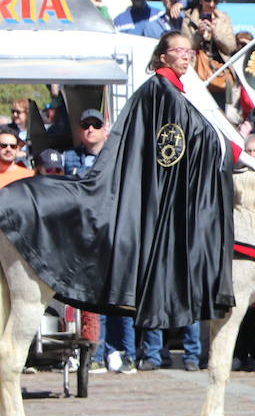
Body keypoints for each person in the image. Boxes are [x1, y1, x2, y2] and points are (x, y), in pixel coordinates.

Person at [0, 30, 240, 335]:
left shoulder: (175, 92)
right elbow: (195, 135)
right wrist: (231, 149)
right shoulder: (162, 89)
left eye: (188, 51)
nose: (185, 55)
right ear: (162, 57)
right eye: (178, 50)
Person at [183, 0, 237, 108]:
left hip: (222, 75)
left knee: (224, 115)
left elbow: (231, 47)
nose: (212, 4)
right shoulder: (189, 19)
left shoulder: (223, 19)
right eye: (208, 0)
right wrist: (199, 35)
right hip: (197, 74)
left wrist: (216, 34)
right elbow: (184, 49)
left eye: (216, 1)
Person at [63, 109, 109, 176]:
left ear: (105, 130)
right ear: (80, 132)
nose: (90, 130)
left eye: (96, 125)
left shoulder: (115, 156)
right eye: (86, 125)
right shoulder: (68, 157)